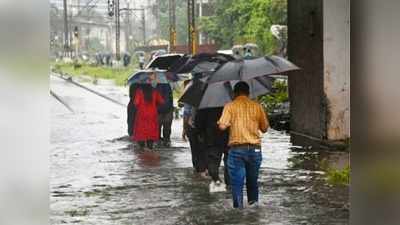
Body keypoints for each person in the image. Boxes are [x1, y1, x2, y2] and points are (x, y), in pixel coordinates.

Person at [218, 81, 269, 209]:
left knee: (237, 183)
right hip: (255, 150)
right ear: (248, 92)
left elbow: (222, 126)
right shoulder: (257, 106)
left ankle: (238, 210)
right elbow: (265, 128)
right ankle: (254, 208)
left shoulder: (230, 106)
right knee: (252, 182)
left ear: (234, 93)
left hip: (237, 150)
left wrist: (224, 122)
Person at [195, 107, 230, 192]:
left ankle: (218, 181)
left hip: (212, 139)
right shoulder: (231, 105)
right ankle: (229, 186)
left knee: (213, 164)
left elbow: (198, 123)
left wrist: (201, 134)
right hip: (228, 138)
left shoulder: (205, 106)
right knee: (229, 162)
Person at [182, 80, 207, 178]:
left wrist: (184, 129)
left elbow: (186, 113)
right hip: (205, 126)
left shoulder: (190, 95)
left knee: (194, 148)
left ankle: (197, 170)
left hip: (192, 126)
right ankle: (205, 169)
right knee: (204, 147)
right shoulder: (209, 94)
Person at [132, 82, 164, 150]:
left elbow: (136, 103)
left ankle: (142, 150)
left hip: (141, 115)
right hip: (152, 115)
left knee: (141, 134)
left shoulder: (139, 91)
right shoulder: (155, 91)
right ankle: (150, 149)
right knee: (151, 134)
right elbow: (161, 101)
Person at [156, 82, 174, 147]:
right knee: (167, 129)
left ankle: (158, 143)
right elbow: (171, 98)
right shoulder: (169, 85)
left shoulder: (155, 85)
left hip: (158, 111)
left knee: (157, 129)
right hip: (168, 110)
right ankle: (166, 142)